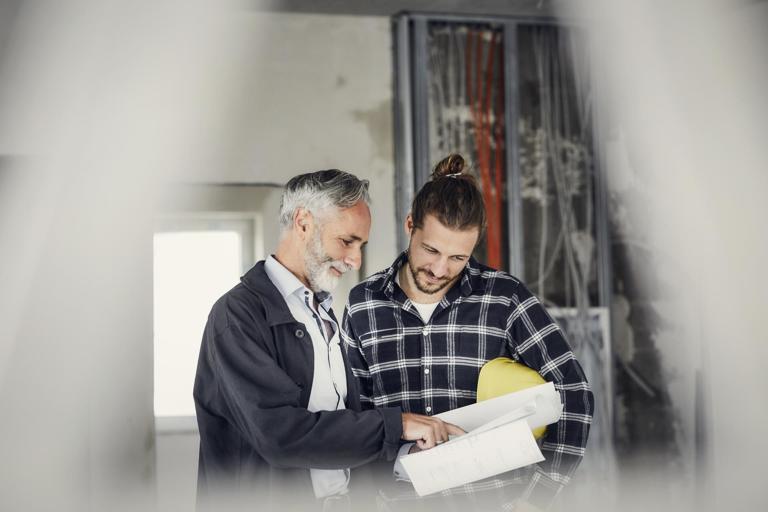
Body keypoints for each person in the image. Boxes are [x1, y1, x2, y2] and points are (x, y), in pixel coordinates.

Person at [193, 169, 462, 511]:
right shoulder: (237, 315)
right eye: (347, 241)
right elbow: (279, 435)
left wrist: (406, 452)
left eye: (361, 245)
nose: (355, 260)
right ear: (303, 223)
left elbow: (334, 434)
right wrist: (398, 425)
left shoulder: (321, 315)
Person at [342, 155, 595, 511]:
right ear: (410, 224)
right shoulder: (363, 305)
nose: (440, 269)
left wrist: (537, 498)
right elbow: (357, 418)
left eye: (458, 258)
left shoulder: (505, 298)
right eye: (431, 250)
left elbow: (574, 393)